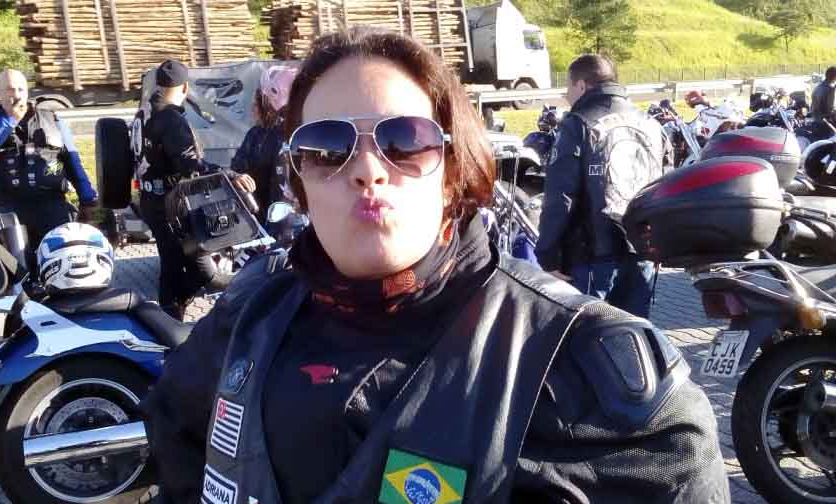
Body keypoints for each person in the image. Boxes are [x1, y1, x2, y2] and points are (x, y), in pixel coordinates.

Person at [142, 29, 728, 504]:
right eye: (326, 147)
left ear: (452, 172)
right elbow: (179, 457)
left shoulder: (586, 371)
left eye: (405, 140)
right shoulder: (245, 319)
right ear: (298, 182)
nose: (367, 169)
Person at [534, 54, 672, 318]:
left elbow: (560, 196)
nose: (566, 95)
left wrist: (547, 256)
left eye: (568, 88)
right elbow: (665, 188)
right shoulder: (653, 125)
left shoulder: (577, 124)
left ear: (581, 85)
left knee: (586, 334)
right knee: (633, 332)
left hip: (591, 255)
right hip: (641, 251)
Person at [139, 59, 255, 319]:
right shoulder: (171, 120)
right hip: (170, 205)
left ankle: (173, 315)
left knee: (176, 264)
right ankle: (171, 323)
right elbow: (190, 165)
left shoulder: (145, 114)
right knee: (191, 268)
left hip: (152, 199)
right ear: (185, 87)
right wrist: (229, 174)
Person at [0, 69, 98, 252]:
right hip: (10, 210)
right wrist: (9, 121)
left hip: (53, 205)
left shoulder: (53, 119)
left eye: (20, 89)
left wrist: (88, 200)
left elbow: (72, 160)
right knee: (17, 266)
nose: (16, 95)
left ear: (27, 92)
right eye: (10, 89)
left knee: (63, 259)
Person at [230, 65, 298, 221]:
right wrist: (237, 176)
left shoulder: (261, 135)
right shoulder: (258, 134)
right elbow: (237, 171)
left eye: (258, 98)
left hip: (271, 220)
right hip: (274, 218)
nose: (253, 104)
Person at [810, 66, 836, 137]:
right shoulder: (831, 89)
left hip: (816, 121)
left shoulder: (818, 87)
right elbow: (831, 109)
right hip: (826, 124)